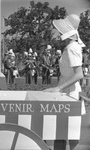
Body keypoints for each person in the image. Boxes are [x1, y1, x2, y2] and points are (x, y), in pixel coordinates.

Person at [43, 14, 86, 150]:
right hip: (67, 92)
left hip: (69, 94)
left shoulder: (72, 47)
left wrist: (58, 88)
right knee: (62, 132)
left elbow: (79, 74)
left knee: (68, 133)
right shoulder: (71, 46)